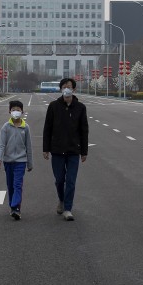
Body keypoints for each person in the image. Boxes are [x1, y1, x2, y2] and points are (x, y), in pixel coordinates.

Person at [42, 77, 89, 221]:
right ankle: (61, 200)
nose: (66, 89)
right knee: (59, 179)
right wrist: (46, 148)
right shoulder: (54, 106)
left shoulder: (80, 108)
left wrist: (84, 151)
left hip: (73, 150)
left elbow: (84, 130)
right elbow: (47, 128)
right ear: (61, 89)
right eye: (64, 86)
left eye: (69, 86)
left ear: (74, 89)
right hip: (57, 150)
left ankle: (68, 208)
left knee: (71, 180)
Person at [0, 100, 33, 220]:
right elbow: (1, 144)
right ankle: (13, 208)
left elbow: (29, 147)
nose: (16, 112)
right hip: (8, 161)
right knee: (10, 185)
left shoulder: (25, 127)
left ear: (22, 111)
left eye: (18, 110)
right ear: (9, 111)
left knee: (17, 185)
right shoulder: (6, 127)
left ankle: (16, 207)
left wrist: (30, 163)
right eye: (13, 110)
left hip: (20, 161)